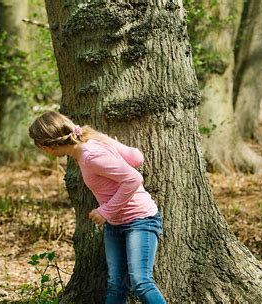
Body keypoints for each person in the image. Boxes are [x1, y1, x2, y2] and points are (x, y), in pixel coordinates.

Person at [29, 111, 166, 304]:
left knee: (141, 282)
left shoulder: (90, 155)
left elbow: (134, 177)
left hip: (140, 220)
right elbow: (137, 159)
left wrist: (105, 211)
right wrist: (107, 141)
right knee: (116, 284)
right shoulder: (91, 147)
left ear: (48, 146)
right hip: (116, 223)